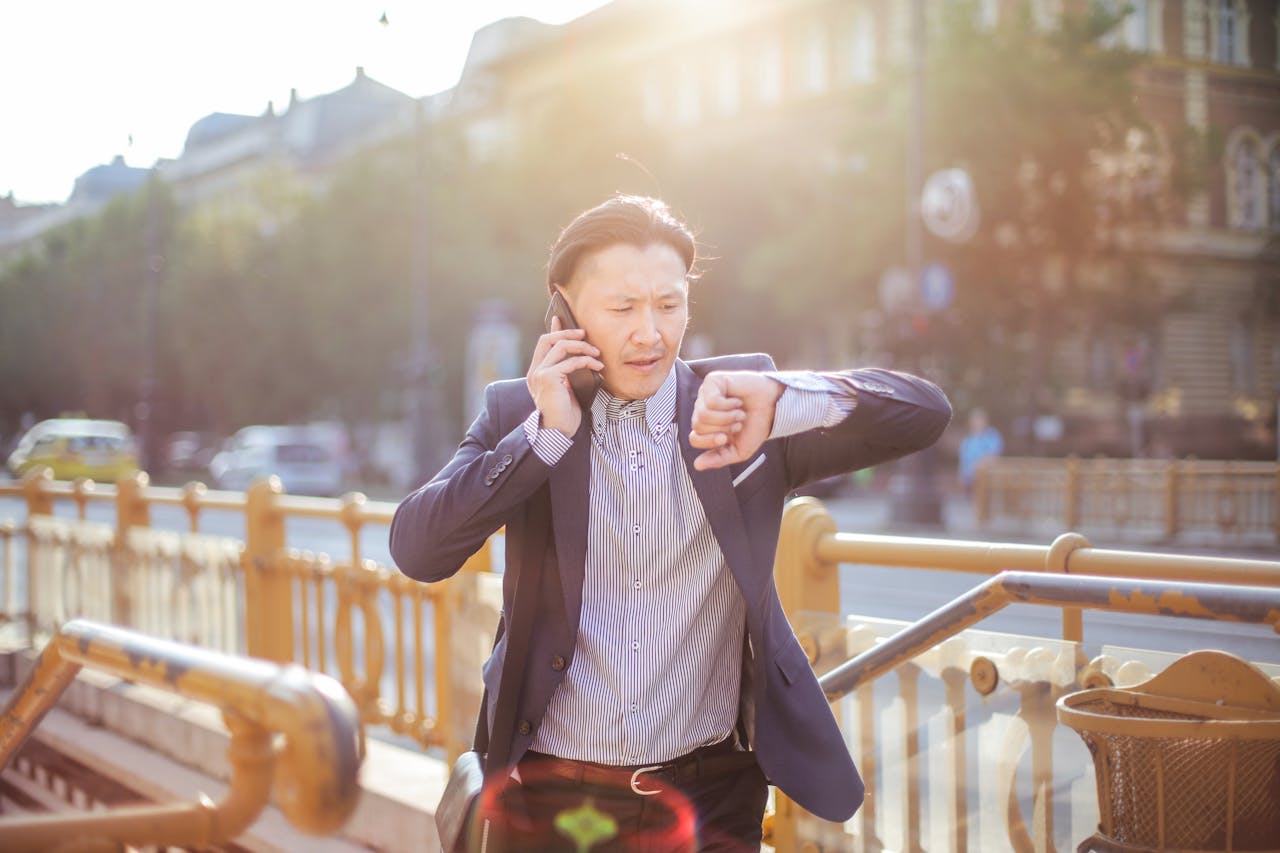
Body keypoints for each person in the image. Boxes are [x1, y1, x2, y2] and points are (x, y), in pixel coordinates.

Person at [390, 195, 951, 851]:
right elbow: (417, 548)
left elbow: (925, 412)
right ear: (564, 313)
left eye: (669, 304)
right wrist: (542, 437)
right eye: (622, 308)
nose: (649, 333)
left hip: (707, 799)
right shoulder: (520, 411)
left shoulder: (740, 407)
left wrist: (786, 399)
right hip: (550, 803)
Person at [958, 407, 1003, 492]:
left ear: (985, 421)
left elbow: (993, 455)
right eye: (976, 420)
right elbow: (963, 464)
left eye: (980, 420)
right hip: (971, 482)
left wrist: (978, 465)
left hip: (988, 480)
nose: (978, 423)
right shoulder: (967, 441)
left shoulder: (992, 435)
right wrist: (962, 478)